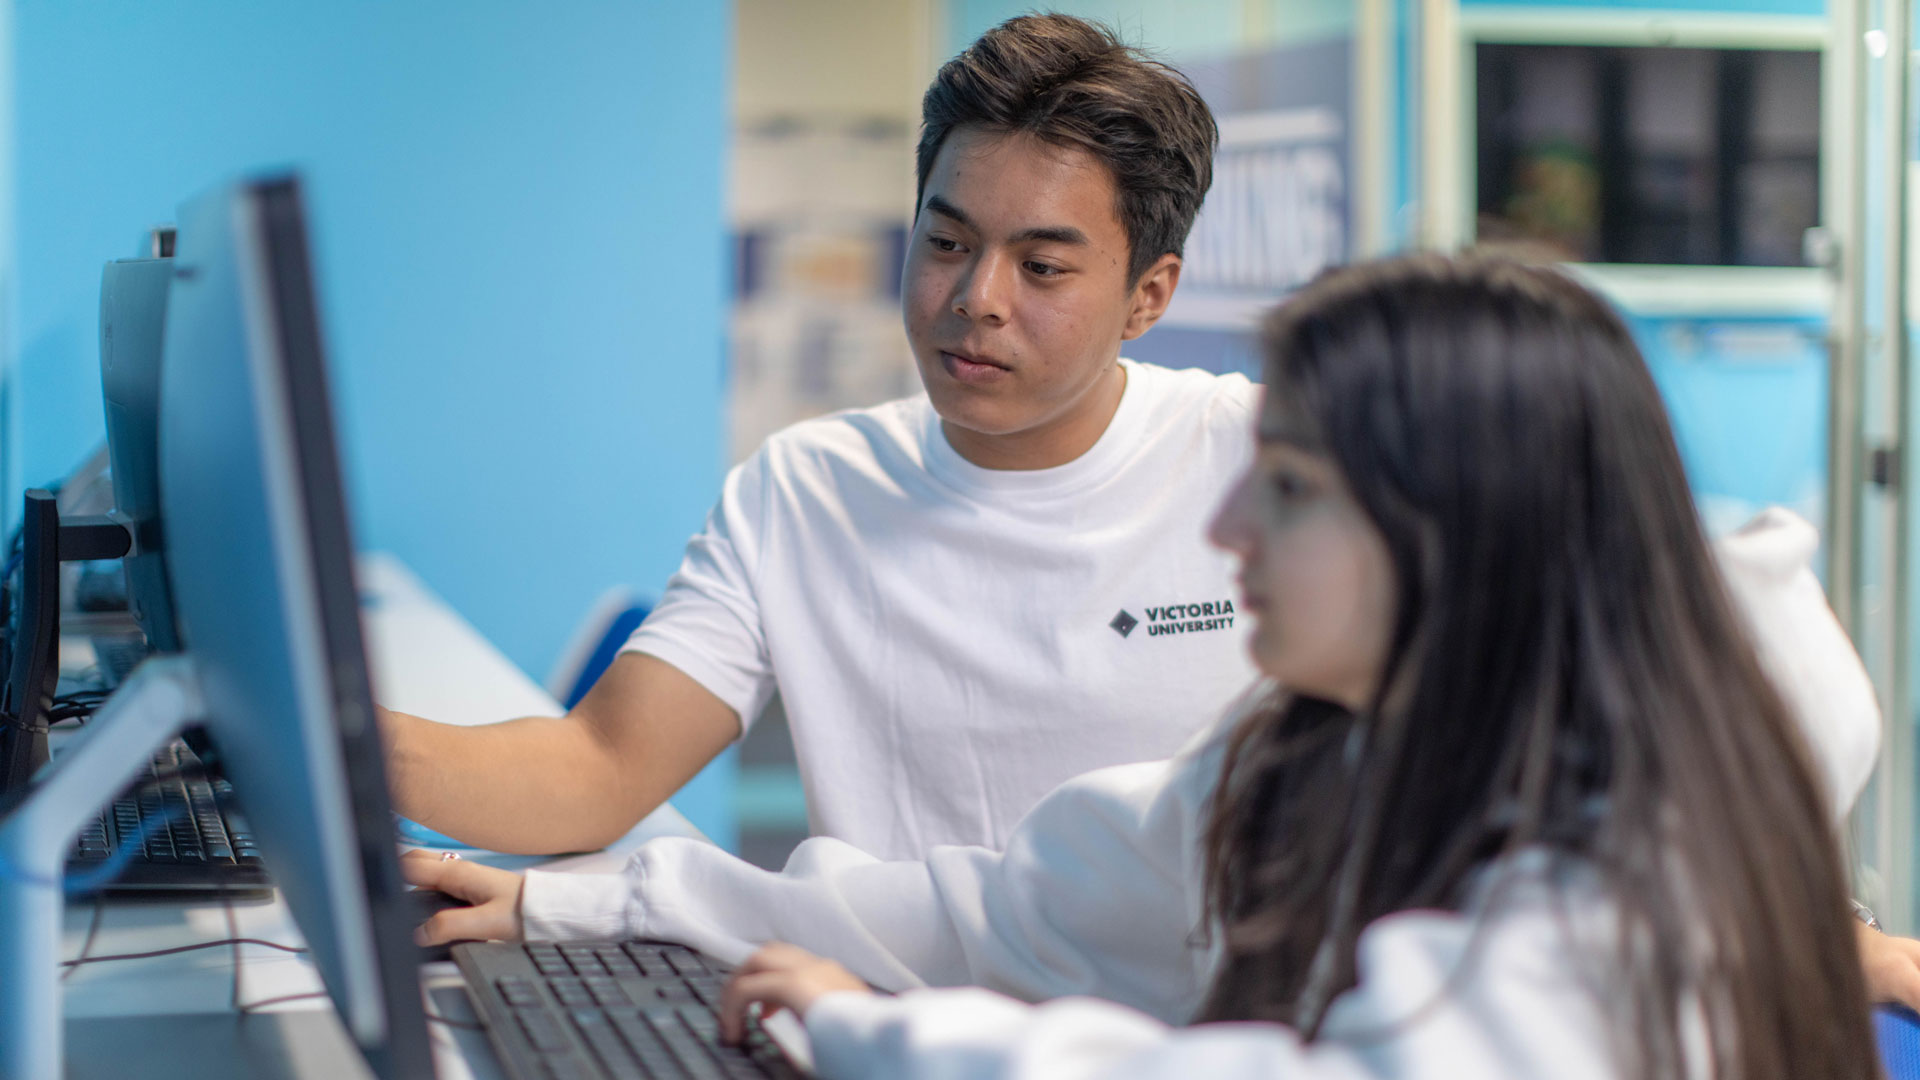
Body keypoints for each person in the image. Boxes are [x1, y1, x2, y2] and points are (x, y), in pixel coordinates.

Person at [407, 255, 1883, 1078]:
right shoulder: (1330, 748)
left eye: (1290, 489)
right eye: (947, 237)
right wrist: (585, 906)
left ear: (1451, 529)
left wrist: (883, 1039)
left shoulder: (1611, 864)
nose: (1231, 527)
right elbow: (1020, 906)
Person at [381, 13, 1260, 862]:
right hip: (875, 1006)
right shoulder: (806, 489)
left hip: (1186, 1016)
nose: (976, 298)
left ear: (1149, 294)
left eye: (1041, 268)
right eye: (948, 241)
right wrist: (323, 745)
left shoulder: (1260, 461)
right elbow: (602, 767)